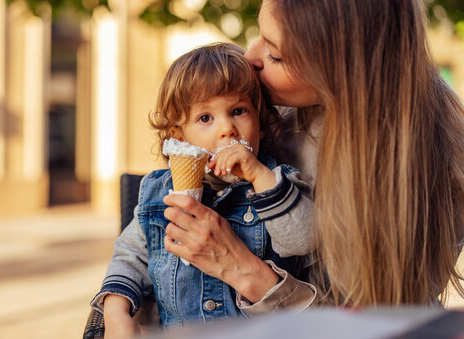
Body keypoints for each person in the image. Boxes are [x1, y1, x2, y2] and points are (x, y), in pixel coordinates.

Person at [163, 0, 464, 307]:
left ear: (344, 70)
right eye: (260, 34)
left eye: (275, 54)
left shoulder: (439, 157)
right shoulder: (271, 111)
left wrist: (246, 273)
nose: (250, 56)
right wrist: (117, 305)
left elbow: (374, 325)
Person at [90, 42, 316, 339]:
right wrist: (115, 312)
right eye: (205, 118)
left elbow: (303, 239)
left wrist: (258, 174)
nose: (227, 129)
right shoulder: (158, 193)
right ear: (179, 137)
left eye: (238, 111)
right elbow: (129, 258)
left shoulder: (277, 182)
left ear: (261, 125)